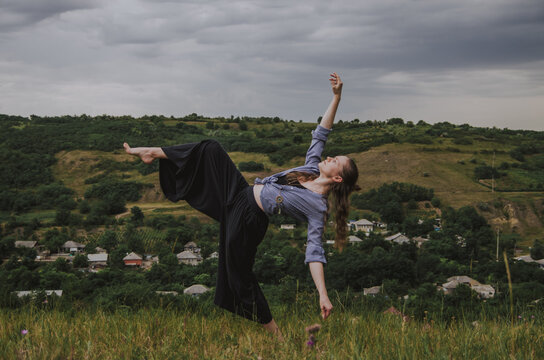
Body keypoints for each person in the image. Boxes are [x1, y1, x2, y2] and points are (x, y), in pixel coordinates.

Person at [123, 73, 359, 338]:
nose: (328, 157)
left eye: (335, 160)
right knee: (211, 148)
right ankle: (153, 152)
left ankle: (277, 336)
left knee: (239, 277)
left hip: (250, 220)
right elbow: (321, 133)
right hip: (241, 193)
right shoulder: (311, 168)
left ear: (337, 178)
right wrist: (336, 97)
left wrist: (323, 295)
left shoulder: (317, 206)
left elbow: (314, 252)